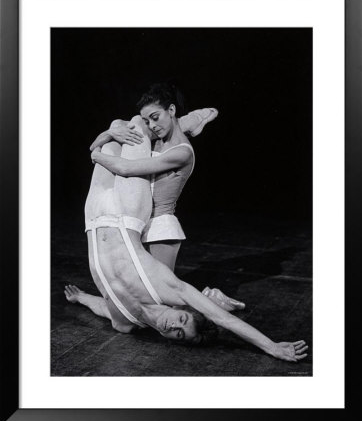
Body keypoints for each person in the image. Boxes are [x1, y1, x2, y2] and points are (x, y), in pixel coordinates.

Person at [65, 116, 308, 362]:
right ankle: (182, 125)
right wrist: (271, 346)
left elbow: (105, 307)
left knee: (115, 129)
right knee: (137, 125)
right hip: (125, 212)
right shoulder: (168, 288)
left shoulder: (124, 323)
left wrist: (81, 298)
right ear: (183, 309)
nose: (173, 327)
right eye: (182, 320)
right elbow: (223, 319)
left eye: (179, 335)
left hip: (94, 214)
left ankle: (170, 127)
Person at [89, 83, 218, 273]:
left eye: (155, 117)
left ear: (171, 109)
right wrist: (111, 132)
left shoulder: (182, 153)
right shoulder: (157, 139)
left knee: (162, 294)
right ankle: (192, 120)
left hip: (159, 224)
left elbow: (125, 168)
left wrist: (96, 156)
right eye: (148, 120)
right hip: (138, 217)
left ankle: (214, 297)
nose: (153, 125)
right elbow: (94, 144)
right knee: (128, 123)